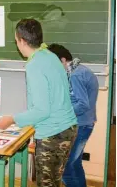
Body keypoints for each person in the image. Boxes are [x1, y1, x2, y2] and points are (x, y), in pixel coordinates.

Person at [0, 18, 77, 187]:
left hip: (53, 133)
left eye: (16, 40)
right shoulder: (49, 55)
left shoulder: (35, 64)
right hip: (66, 128)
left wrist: (11, 119)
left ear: (22, 41)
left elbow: (41, 111)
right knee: (54, 181)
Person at [48, 43, 99, 187]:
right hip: (83, 124)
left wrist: (61, 113)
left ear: (63, 60)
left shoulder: (76, 75)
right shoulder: (77, 70)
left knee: (66, 168)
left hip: (80, 126)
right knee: (75, 164)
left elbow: (82, 104)